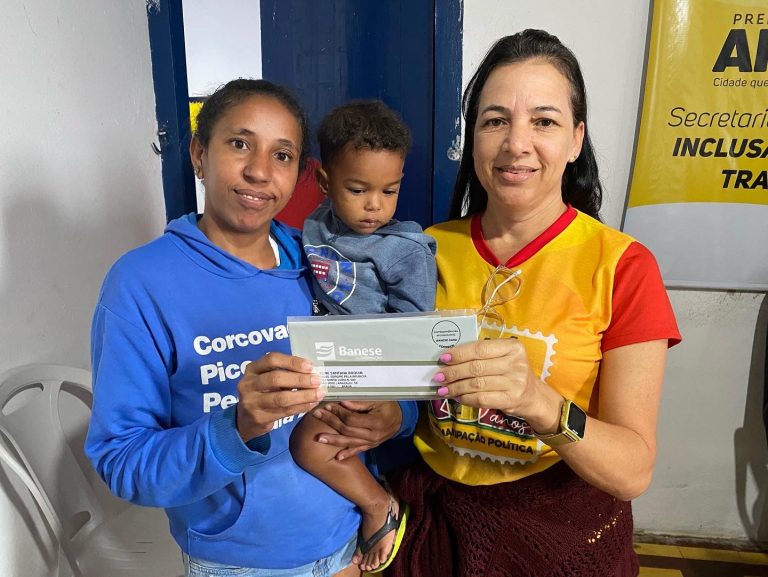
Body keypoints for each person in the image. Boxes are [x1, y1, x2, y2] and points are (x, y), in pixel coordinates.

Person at [84, 78, 416, 577]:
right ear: (199, 154)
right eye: (239, 144)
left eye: (282, 155)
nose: (259, 171)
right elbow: (123, 461)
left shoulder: (325, 263)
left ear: (301, 174)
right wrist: (236, 427)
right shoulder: (141, 284)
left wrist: (396, 415)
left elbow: (388, 365)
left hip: (349, 539)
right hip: (241, 562)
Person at [384, 29, 683, 577]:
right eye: (495, 120)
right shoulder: (421, 249)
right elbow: (398, 397)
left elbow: (632, 471)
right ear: (474, 138)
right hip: (432, 529)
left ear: (575, 140)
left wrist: (540, 403)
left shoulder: (622, 266)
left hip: (560, 535)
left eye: (543, 121)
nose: (515, 143)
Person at [289, 100, 436, 573]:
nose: (375, 205)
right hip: (323, 366)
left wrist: (382, 390)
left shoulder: (404, 250)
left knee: (312, 442)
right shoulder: (315, 226)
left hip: (373, 376)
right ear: (324, 182)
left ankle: (380, 507)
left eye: (389, 190)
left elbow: (417, 336)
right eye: (358, 189)